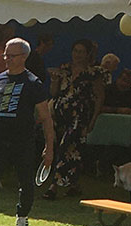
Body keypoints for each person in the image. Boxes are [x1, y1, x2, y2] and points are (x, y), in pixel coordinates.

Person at [0, 37, 53, 226]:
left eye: (12, 55)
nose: (6, 58)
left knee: (26, 182)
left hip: (23, 140)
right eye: (5, 54)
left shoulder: (33, 83)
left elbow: (45, 117)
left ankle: (22, 214)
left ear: (24, 57)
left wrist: (49, 147)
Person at [46, 41, 119, 198]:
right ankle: (74, 184)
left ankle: (54, 185)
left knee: (66, 147)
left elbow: (99, 96)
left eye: (81, 52)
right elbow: (54, 93)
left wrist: (93, 120)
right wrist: (53, 80)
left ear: (88, 54)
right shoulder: (65, 69)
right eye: (75, 51)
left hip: (79, 116)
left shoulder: (93, 73)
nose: (78, 55)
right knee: (71, 150)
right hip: (61, 114)